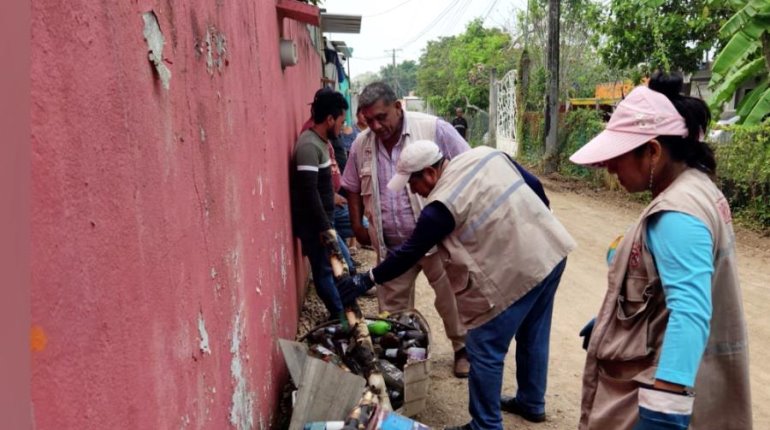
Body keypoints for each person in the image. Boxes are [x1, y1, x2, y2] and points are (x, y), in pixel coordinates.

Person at [337, 140, 576, 430]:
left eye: (413, 183)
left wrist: (366, 279)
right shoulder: (485, 155)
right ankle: (531, 402)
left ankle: (485, 425)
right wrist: (535, 223)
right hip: (550, 250)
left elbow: (410, 252)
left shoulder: (440, 207)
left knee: (484, 345)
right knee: (533, 332)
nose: (413, 192)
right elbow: (535, 186)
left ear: (429, 173)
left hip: (521, 269)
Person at [569, 73, 752, 429]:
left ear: (652, 151)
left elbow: (690, 312)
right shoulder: (697, 187)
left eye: (617, 157)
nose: (607, 167)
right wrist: (616, 321)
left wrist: (662, 413)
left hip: (651, 394)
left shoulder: (676, 214)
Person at [341, 81, 472, 377]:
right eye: (369, 119)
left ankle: (463, 348)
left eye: (381, 117)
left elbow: (468, 167)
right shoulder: (362, 144)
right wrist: (356, 224)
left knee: (451, 298)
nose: (375, 125)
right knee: (393, 313)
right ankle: (400, 354)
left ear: (398, 107)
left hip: (437, 241)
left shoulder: (434, 129)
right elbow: (351, 186)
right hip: (391, 245)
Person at [291, 89, 355, 320]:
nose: (342, 125)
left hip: (325, 222)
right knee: (326, 272)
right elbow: (310, 192)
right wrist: (323, 228)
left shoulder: (320, 143)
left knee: (342, 267)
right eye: (341, 120)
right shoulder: (309, 146)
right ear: (329, 119)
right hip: (316, 226)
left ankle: (346, 314)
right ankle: (341, 317)